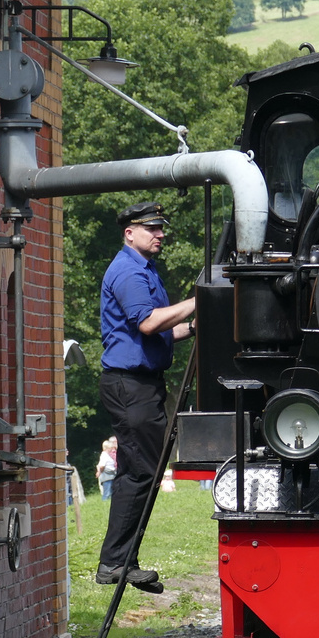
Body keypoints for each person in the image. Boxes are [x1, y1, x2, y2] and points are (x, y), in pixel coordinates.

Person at [95, 202, 195, 594]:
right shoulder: (128, 271)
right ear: (129, 233)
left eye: (161, 228)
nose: (160, 234)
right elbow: (150, 321)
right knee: (139, 472)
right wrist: (196, 300)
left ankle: (123, 560)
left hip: (141, 385)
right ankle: (114, 562)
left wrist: (194, 324)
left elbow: (159, 332)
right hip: (130, 385)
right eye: (152, 228)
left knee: (144, 472)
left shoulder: (144, 270)